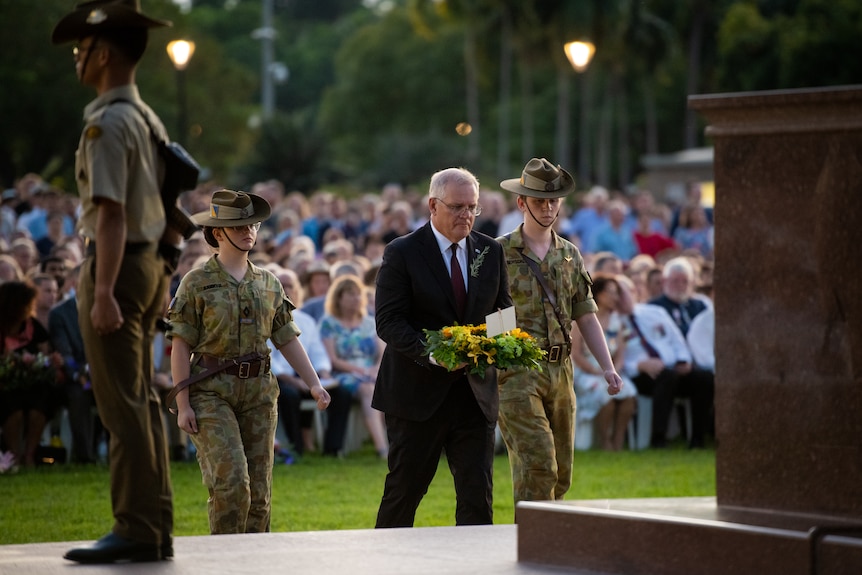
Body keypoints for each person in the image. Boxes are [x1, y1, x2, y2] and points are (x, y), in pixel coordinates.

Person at [52, 1, 177, 563]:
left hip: (117, 265)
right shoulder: (147, 118)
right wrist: (165, 263)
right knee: (143, 401)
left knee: (122, 406)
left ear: (103, 54)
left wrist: (101, 291)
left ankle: (135, 527)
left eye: (82, 50)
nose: (77, 59)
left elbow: (110, 212)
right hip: (148, 263)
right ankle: (155, 527)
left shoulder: (107, 120)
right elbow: (174, 202)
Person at [168, 189, 331, 535]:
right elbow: (180, 345)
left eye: (253, 225)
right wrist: (183, 403)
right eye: (239, 225)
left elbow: (286, 337)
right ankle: (224, 561)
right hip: (211, 392)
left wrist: (313, 383)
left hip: (259, 392)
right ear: (217, 232)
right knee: (232, 483)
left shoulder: (269, 283)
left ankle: (257, 564)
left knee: (259, 494)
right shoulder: (196, 282)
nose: (249, 232)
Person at [373, 166, 512, 527]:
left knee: (477, 497)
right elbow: (388, 322)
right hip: (417, 395)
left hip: (474, 394)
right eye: (457, 207)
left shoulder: (490, 250)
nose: (466, 215)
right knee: (404, 492)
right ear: (433, 205)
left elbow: (504, 311)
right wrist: (432, 353)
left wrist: (492, 345)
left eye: (472, 207)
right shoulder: (402, 252)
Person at [496, 158, 623, 505]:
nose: (548, 207)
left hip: (561, 369)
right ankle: (533, 545)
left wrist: (608, 367)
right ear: (521, 203)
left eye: (554, 200)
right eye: (539, 200)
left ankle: (541, 543)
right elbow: (490, 311)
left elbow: (586, 313)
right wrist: (500, 355)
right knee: (539, 465)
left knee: (561, 475)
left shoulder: (570, 254)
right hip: (517, 370)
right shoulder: (498, 252)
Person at [616, 275, 713, 448]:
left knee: (704, 378)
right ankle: (658, 438)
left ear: (635, 292)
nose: (625, 298)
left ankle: (698, 438)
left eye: (628, 292)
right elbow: (615, 359)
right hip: (639, 376)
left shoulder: (654, 312)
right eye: (619, 294)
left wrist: (683, 360)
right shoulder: (612, 323)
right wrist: (639, 365)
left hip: (671, 369)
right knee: (667, 377)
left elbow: (677, 340)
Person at [269, 267, 351, 457]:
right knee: (289, 395)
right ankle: (297, 448)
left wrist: (323, 373)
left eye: (291, 286)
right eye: (283, 285)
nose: (287, 290)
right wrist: (291, 380)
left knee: (342, 394)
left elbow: (317, 352)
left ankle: (332, 449)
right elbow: (269, 357)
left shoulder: (306, 321)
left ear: (297, 291)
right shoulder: (265, 319)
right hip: (280, 377)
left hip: (306, 376)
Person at [319, 274, 388, 457]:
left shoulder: (369, 322)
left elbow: (382, 353)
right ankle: (382, 448)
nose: (356, 298)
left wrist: (375, 370)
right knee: (368, 389)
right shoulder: (329, 323)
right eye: (350, 294)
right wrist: (362, 371)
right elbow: (332, 359)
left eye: (358, 294)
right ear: (338, 298)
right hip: (343, 374)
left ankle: (398, 444)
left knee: (383, 386)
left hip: (372, 373)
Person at [0, 280, 64, 468]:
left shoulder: (32, 326)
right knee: (13, 408)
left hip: (32, 384)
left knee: (40, 402)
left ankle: (30, 454)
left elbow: (45, 351)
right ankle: (14, 455)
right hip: (5, 385)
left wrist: (50, 361)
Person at [571, 274, 637, 451]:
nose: (614, 297)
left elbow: (620, 354)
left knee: (629, 395)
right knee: (603, 395)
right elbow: (575, 354)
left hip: (610, 370)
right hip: (586, 371)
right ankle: (604, 440)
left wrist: (615, 370)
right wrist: (595, 371)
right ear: (598, 294)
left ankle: (618, 439)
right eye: (610, 293)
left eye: (616, 293)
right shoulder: (581, 321)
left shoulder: (618, 323)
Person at [48, 264, 99, 463]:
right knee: (79, 395)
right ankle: (85, 456)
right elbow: (64, 352)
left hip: (103, 374)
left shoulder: (106, 308)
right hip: (76, 377)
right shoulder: (60, 314)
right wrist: (82, 374)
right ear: (76, 284)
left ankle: (120, 456)